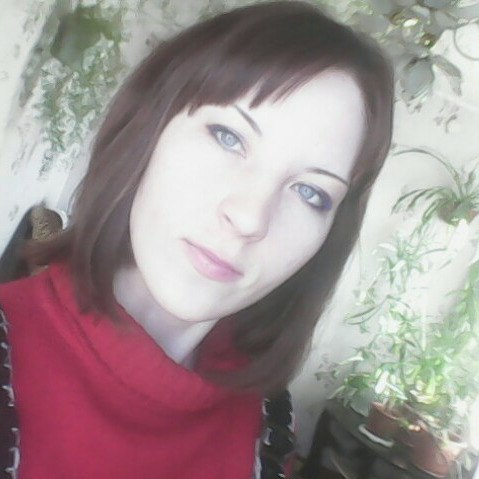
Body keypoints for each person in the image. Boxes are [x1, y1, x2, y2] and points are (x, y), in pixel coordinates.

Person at [0, 1, 394, 478]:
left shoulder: (268, 428)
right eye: (228, 137)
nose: (250, 217)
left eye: (311, 192)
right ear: (149, 128)